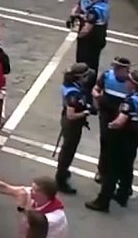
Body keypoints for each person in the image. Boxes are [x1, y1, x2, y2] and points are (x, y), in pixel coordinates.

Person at [87, 68, 138, 213]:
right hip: (135, 135)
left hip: (122, 138)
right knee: (127, 166)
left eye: (129, 80)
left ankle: (103, 201)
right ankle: (123, 193)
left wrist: (110, 126)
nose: (126, 82)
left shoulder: (131, 101)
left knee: (111, 170)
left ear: (133, 84)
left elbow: (120, 122)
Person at [0, 170, 68, 238]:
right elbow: (4, 187)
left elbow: (28, 230)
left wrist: (21, 208)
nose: (30, 191)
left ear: (44, 194)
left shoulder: (53, 219)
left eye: (34, 190)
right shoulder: (34, 197)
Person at [54, 63, 94, 194]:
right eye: (86, 76)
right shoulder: (73, 93)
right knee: (68, 151)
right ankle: (61, 179)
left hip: (70, 122)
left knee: (68, 149)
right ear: (80, 78)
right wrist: (85, 113)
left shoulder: (71, 86)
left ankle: (63, 172)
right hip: (72, 125)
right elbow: (71, 115)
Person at [69, 0, 109, 72]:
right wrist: (73, 15)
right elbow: (78, 5)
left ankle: (86, 81)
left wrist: (78, 36)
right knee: (81, 58)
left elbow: (87, 30)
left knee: (90, 62)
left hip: (94, 36)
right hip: (86, 26)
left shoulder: (99, 8)